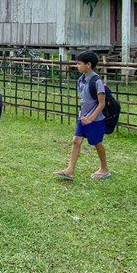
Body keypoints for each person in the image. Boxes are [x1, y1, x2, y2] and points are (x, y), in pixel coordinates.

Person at [54, 50, 111, 181]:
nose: (77, 66)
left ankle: (104, 168)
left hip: (95, 119)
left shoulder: (97, 81)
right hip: (83, 117)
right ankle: (69, 170)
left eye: (79, 63)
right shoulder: (81, 80)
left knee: (97, 143)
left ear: (88, 65)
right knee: (76, 141)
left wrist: (91, 118)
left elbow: (101, 104)